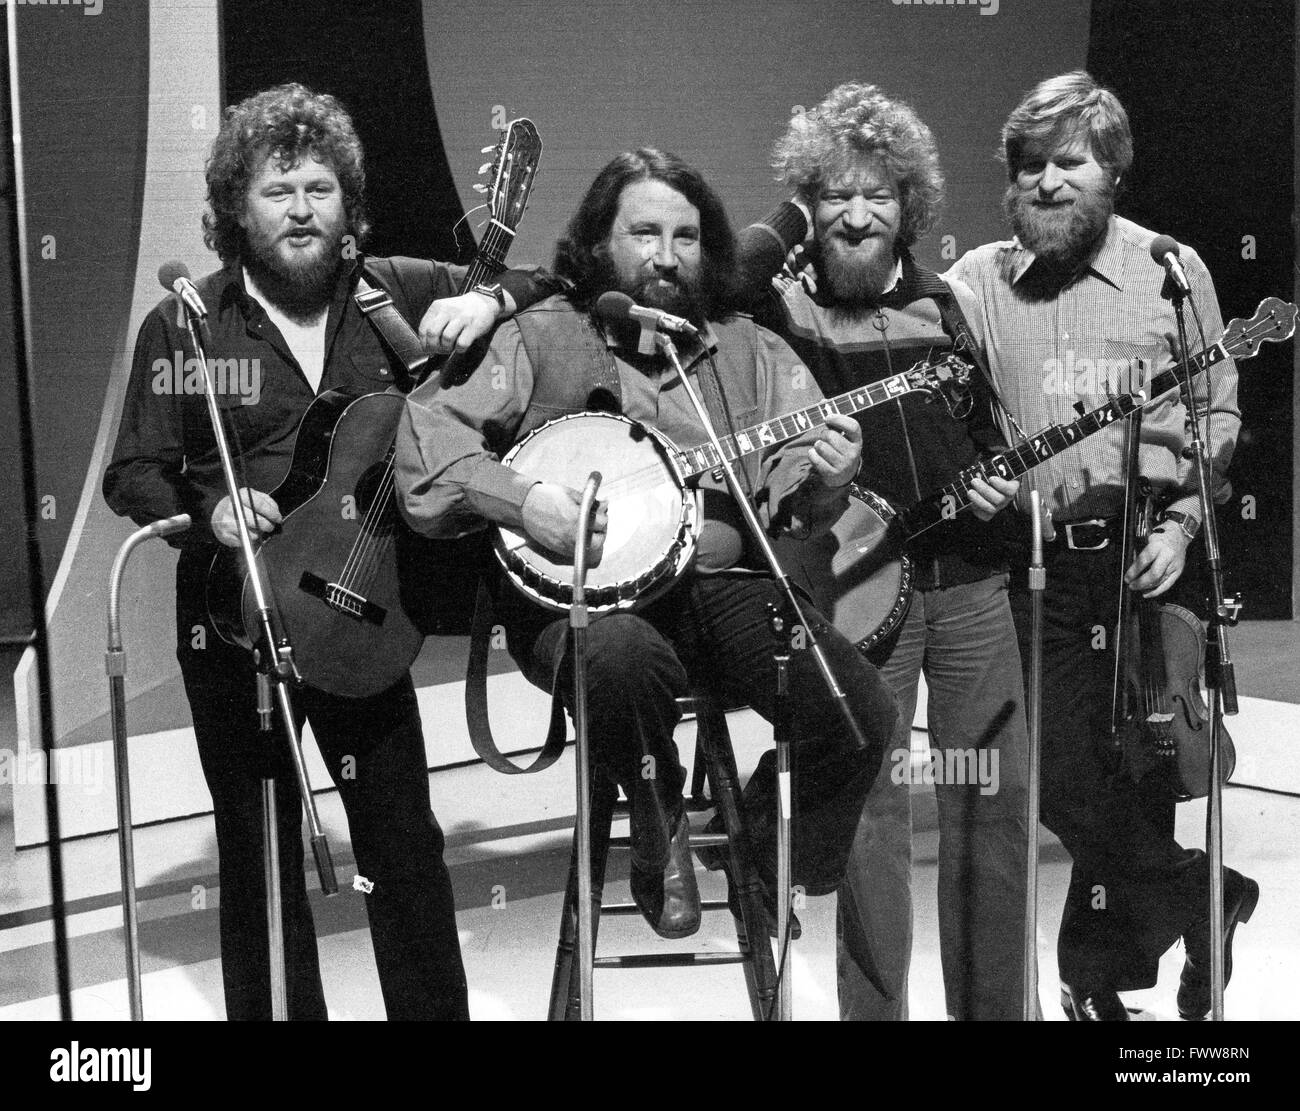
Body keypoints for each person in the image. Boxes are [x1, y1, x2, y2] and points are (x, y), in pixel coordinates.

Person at [103, 83, 553, 1020]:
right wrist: (211, 508)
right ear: (236, 207)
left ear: (347, 201)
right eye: (278, 191)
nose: (302, 210)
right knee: (260, 855)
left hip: (365, 616)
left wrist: (489, 303)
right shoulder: (191, 324)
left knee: (404, 846)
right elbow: (133, 470)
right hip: (239, 626)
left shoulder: (392, 289)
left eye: (319, 188)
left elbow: (554, 292)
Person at [394, 148, 897, 940]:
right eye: (645, 233)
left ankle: (761, 852)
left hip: (720, 592)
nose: (666, 255)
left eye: (687, 237)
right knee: (625, 659)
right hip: (577, 604)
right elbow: (426, 457)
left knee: (858, 708)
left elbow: (800, 509)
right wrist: (525, 503)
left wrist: (832, 480)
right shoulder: (537, 335)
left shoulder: (747, 350)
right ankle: (657, 821)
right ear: (600, 245)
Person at [948, 70, 1258, 1021]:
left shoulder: (1174, 270)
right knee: (1060, 779)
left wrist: (1182, 525)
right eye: (1030, 165)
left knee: (1141, 770)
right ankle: (1207, 895)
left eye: (1069, 164)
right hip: (1031, 565)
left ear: (1113, 172)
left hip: (1143, 556)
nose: (1046, 183)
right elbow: (954, 419)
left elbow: (1217, 414)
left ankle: (1100, 982)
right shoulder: (973, 285)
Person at [734, 82, 1030, 1020]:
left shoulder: (947, 305)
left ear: (911, 206)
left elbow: (993, 435)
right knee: (872, 823)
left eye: (880, 195)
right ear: (807, 211)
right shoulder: (778, 313)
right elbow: (729, 288)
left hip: (974, 591)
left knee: (994, 808)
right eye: (835, 196)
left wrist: (1005, 482)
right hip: (861, 600)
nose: (859, 216)